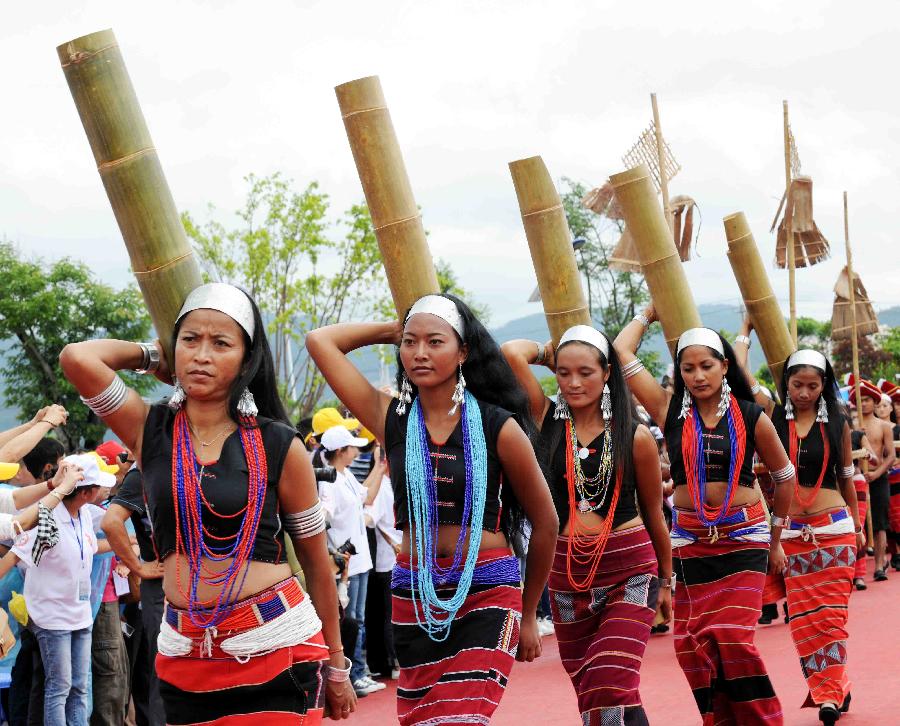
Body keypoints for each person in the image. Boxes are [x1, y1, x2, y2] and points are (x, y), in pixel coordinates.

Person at [60, 282, 354, 724]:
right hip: (186, 656)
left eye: (221, 344)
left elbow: (315, 562)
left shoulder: (277, 443)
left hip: (277, 644)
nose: (201, 355)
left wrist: (336, 663)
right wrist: (154, 356)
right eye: (190, 340)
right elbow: (78, 359)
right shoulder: (150, 430)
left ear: (246, 358)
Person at [306, 293, 558, 725]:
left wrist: (530, 611)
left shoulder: (500, 426)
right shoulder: (392, 419)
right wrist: (394, 327)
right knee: (423, 719)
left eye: (435, 342)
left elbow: (547, 521)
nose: (419, 353)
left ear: (464, 351)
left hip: (487, 590)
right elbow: (319, 341)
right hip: (413, 595)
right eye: (410, 342)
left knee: (459, 719)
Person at [614, 307, 793, 726]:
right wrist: (648, 314)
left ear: (725, 366)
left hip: (744, 537)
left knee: (733, 637)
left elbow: (784, 478)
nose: (697, 375)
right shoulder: (669, 412)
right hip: (691, 542)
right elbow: (621, 350)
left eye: (706, 366)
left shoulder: (752, 416)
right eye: (688, 367)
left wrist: (776, 538)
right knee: (691, 645)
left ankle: (765, 720)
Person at [502, 325, 672, 726]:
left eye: (585, 372)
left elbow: (653, 514)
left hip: (630, 570)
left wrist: (666, 580)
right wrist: (552, 351)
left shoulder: (636, 436)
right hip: (567, 576)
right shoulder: (546, 419)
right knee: (593, 689)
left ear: (608, 373)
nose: (573, 383)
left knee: (608, 682)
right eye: (563, 373)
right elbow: (512, 351)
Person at [737, 325, 861, 724]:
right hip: (790, 537)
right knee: (804, 623)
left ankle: (827, 694)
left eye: (812, 386)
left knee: (831, 618)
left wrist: (857, 528)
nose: (804, 393)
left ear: (822, 386)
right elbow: (739, 378)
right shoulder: (770, 417)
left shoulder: (837, 424)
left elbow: (846, 479)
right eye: (797, 384)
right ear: (786, 383)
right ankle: (835, 685)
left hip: (835, 531)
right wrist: (745, 332)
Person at [5, 455, 112, 726]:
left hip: (80, 614)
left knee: (78, 687)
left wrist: (130, 544)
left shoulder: (86, 515)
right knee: (60, 687)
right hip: (52, 618)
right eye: (98, 486)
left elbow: (88, 546)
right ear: (86, 492)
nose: (102, 491)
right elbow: (17, 552)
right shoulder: (47, 518)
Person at [318, 425, 384, 696]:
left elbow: (367, 495)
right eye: (352, 447)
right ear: (341, 451)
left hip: (359, 560)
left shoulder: (345, 476)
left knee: (359, 619)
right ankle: (354, 674)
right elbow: (323, 516)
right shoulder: (329, 481)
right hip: (345, 563)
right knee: (351, 619)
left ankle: (360, 671)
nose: (357, 450)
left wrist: (381, 466)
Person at [101, 466, 166, 726]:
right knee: (164, 667)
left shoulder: (195, 463)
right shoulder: (142, 472)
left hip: (200, 585)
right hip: (160, 586)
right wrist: (138, 566)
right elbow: (110, 522)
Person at [849, 376, 895, 580]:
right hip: (856, 479)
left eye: (868, 399)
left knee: (879, 523)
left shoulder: (883, 426)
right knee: (856, 524)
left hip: (879, 479)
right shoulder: (852, 427)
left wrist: (877, 473)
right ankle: (856, 571)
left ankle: (878, 566)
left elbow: (891, 455)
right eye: (861, 400)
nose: (865, 403)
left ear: (875, 401)